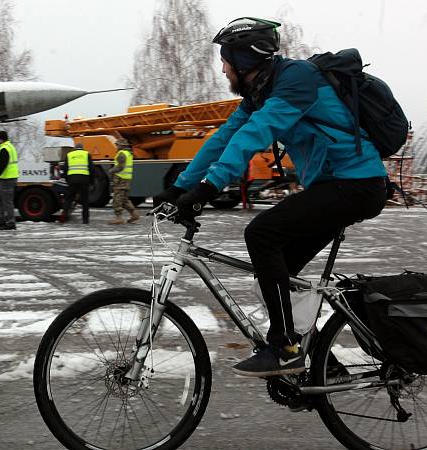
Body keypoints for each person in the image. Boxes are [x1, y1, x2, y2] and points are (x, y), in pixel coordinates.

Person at [154, 17, 388, 377]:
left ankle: (285, 348)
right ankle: (324, 365)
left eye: (226, 60)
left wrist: (211, 186)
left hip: (356, 184)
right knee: (279, 271)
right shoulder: (261, 91)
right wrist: (182, 185)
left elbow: (258, 133)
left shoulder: (296, 80)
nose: (222, 68)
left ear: (244, 61)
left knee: (261, 234)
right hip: (334, 187)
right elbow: (224, 138)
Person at [0, 130, 18, 230]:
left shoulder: (5, 148)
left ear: (0, 139)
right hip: (4, 178)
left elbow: (3, 165)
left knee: (7, 201)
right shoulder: (8, 146)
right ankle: (2, 220)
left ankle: (11, 223)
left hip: (8, 178)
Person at [108, 138, 141, 225]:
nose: (116, 146)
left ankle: (118, 218)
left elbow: (120, 167)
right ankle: (134, 214)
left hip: (120, 179)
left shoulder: (121, 154)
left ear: (121, 145)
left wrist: (111, 171)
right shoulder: (128, 153)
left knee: (117, 199)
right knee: (124, 199)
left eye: (117, 145)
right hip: (126, 178)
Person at [61, 143, 94, 224]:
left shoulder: (69, 155)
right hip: (84, 180)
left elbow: (65, 169)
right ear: (82, 148)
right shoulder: (87, 154)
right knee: (85, 201)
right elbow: (91, 169)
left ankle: (63, 217)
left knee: (69, 199)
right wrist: (91, 181)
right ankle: (85, 220)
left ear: (75, 148)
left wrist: (67, 180)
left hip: (72, 180)